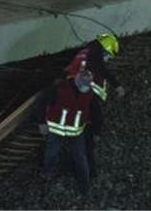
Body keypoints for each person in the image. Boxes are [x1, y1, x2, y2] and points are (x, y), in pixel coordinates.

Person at [35, 67, 101, 201]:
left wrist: (97, 131)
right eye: (83, 85)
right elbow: (41, 103)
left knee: (80, 157)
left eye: (87, 85)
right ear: (77, 80)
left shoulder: (89, 94)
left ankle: (84, 184)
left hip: (76, 132)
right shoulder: (59, 89)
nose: (85, 88)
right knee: (52, 152)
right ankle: (48, 173)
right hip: (56, 130)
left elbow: (96, 112)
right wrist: (41, 123)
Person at [65, 33, 126, 178]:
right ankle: (88, 170)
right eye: (108, 55)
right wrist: (117, 85)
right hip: (82, 94)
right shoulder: (94, 56)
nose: (107, 59)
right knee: (87, 135)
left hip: (72, 88)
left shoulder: (85, 52)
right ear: (105, 49)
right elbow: (101, 69)